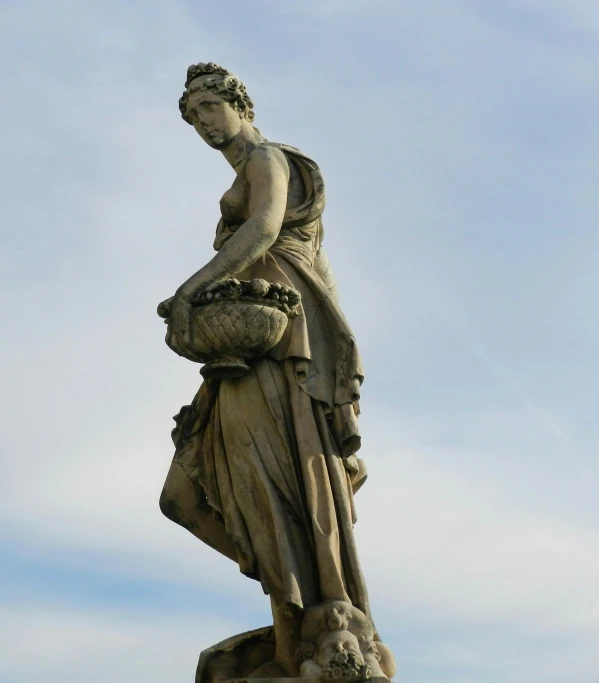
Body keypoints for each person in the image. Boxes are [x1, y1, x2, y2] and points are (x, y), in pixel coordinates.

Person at [158, 62, 388, 679]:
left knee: (276, 493)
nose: (203, 124)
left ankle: (304, 623)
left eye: (209, 109)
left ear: (240, 104)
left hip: (282, 344)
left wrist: (190, 290)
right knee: (183, 499)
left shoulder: (267, 160)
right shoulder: (245, 169)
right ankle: (283, 585)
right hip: (247, 345)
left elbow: (263, 229)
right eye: (192, 117)